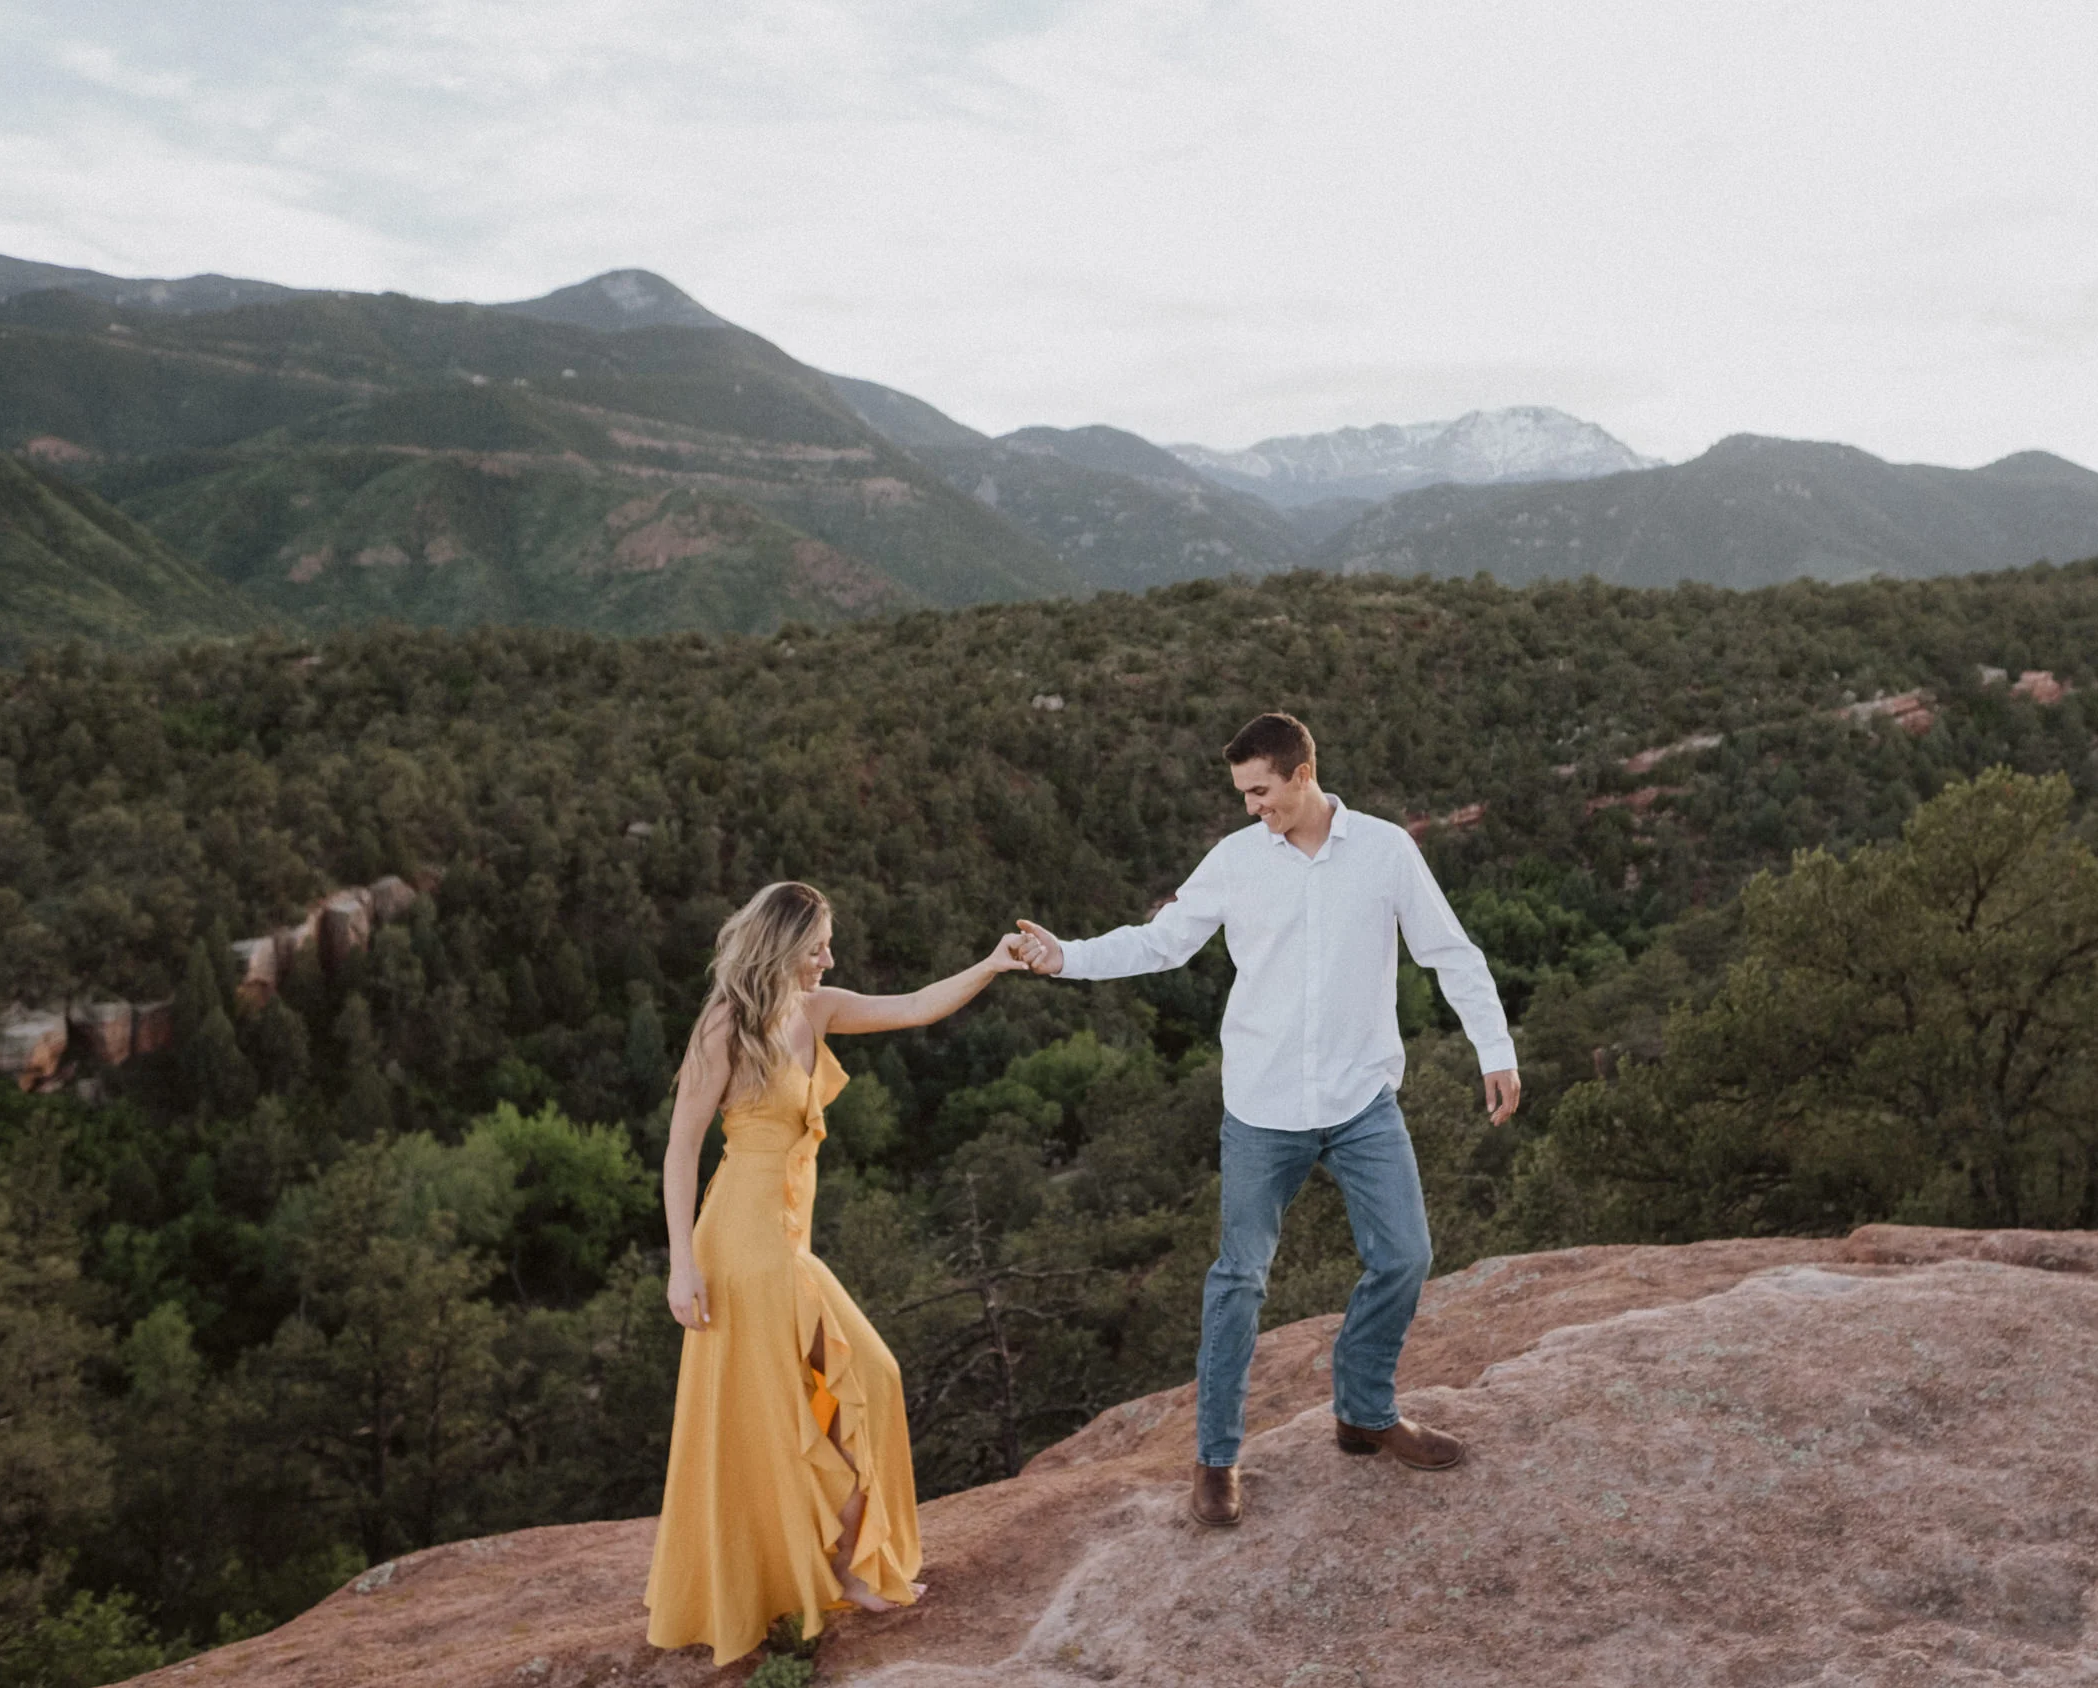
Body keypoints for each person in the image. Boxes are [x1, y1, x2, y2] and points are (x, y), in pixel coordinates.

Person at [1013, 712, 1521, 1527]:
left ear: (1302, 774)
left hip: (1360, 1101)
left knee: (1404, 1256)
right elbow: (1161, 943)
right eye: (1243, 794)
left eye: (1261, 791)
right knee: (1239, 1282)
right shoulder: (1235, 860)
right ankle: (1216, 1462)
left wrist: (1495, 1050)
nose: (1252, 807)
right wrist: (1065, 956)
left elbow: (1451, 953)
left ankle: (1363, 1411)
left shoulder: (1387, 851)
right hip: (1262, 1108)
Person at [645, 881, 1031, 1664]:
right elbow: (680, 1148)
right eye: (818, 945)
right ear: (782, 946)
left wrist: (994, 963)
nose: (830, 957)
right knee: (791, 1405)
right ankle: (824, 1572)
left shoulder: (813, 1009)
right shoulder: (727, 1022)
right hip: (743, 1243)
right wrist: (682, 1265)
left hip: (787, 1240)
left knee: (867, 1381)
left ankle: (836, 1563)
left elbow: (918, 1004)